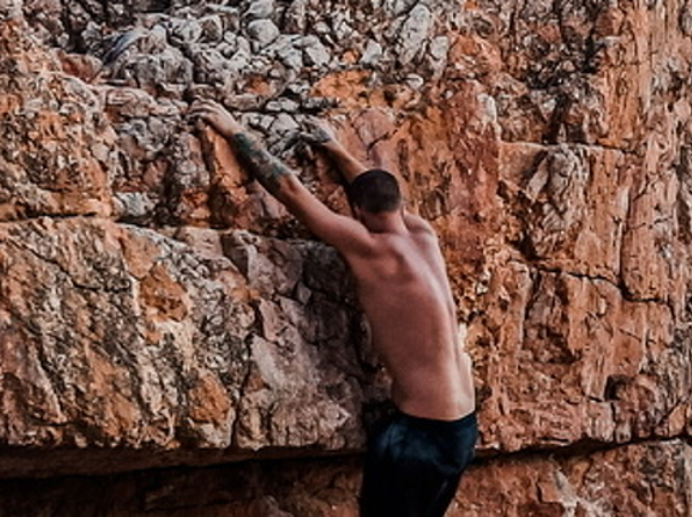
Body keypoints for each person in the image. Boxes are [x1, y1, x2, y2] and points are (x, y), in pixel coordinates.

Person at [191, 103, 478, 517]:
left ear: (359, 214)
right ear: (399, 206)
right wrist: (335, 148)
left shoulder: (371, 247)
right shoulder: (423, 235)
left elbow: (290, 190)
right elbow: (375, 189)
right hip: (462, 429)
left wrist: (235, 131)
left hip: (419, 437)